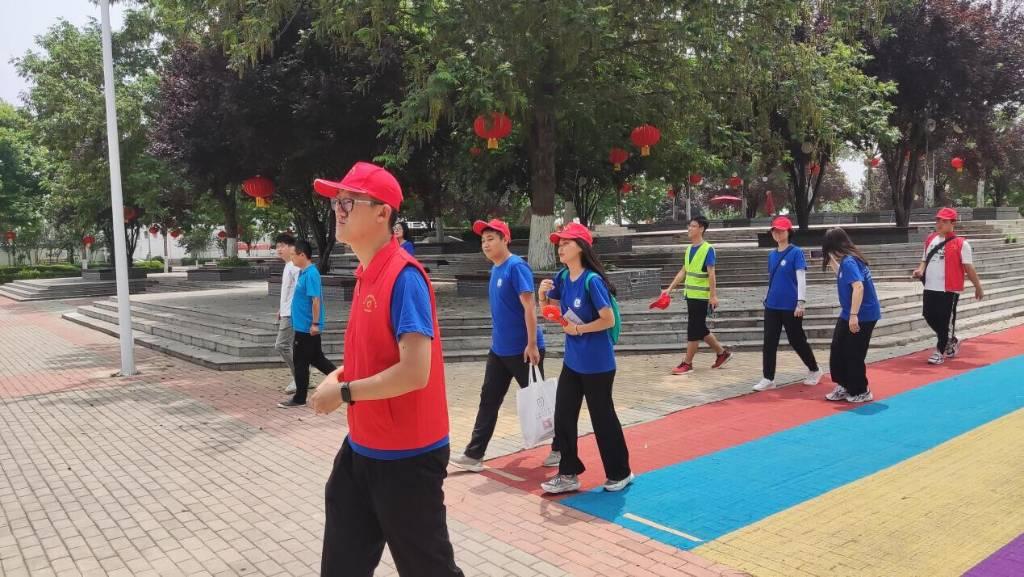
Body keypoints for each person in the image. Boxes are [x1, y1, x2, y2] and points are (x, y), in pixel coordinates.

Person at [308, 162, 462, 577]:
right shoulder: (366, 275)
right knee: (342, 563)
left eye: (348, 201)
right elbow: (375, 356)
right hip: (363, 447)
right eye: (336, 202)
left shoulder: (403, 276)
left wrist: (343, 393)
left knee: (428, 568)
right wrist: (340, 374)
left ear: (383, 213)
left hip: (406, 457)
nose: (338, 210)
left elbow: (415, 372)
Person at [451, 218, 561, 472]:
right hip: (499, 350)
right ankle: (474, 454)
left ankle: (560, 447)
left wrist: (532, 344)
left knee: (540, 402)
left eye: (491, 239)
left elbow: (530, 307)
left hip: (524, 351)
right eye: (483, 240)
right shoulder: (495, 269)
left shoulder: (516, 267)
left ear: (505, 240)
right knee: (488, 399)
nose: (486, 244)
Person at [537, 222, 633, 494]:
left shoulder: (592, 281)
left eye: (566, 243)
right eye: (559, 243)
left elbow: (607, 319)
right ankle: (568, 474)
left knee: (603, 420)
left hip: (598, 365)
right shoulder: (562, 277)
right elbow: (552, 313)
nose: (560, 247)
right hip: (573, 362)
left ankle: (620, 472)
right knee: (563, 416)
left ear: (580, 247)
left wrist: (579, 329)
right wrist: (542, 296)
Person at [754, 216, 822, 391]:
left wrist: (801, 302)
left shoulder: (796, 252)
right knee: (769, 341)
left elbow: (801, 279)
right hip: (772, 305)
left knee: (797, 340)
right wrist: (767, 296)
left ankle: (814, 369)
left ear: (788, 232)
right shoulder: (771, 255)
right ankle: (768, 377)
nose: (776, 233)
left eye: (780, 230)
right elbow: (772, 279)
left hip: (791, 306)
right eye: (774, 230)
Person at [912, 207, 984, 365]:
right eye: (938, 220)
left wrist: (978, 286)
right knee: (928, 315)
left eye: (944, 221)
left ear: (953, 223)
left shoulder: (961, 244)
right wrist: (920, 270)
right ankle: (950, 339)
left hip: (949, 289)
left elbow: (969, 268)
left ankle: (939, 351)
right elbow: (925, 259)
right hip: (930, 286)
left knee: (945, 320)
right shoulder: (930, 239)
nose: (939, 224)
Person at [662, 215, 732, 375]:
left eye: (693, 226)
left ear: (701, 229)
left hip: (702, 297)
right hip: (690, 296)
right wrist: (670, 288)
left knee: (694, 329)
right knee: (699, 328)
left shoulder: (708, 249)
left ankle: (687, 363)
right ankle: (722, 353)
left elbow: (711, 274)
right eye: (689, 226)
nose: (689, 228)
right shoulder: (688, 249)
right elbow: (683, 271)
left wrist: (713, 296)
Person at [821, 228, 881, 403]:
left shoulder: (850, 262)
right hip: (849, 313)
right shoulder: (848, 261)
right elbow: (842, 274)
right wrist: (830, 259)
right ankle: (845, 384)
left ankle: (861, 390)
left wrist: (854, 315)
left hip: (863, 315)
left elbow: (858, 287)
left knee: (853, 353)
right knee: (838, 348)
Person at [278, 239, 337, 408]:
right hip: (303, 326)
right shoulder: (304, 272)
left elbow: (316, 300)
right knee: (317, 359)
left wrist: (316, 324)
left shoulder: (311, 273)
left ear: (302, 255)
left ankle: (300, 397)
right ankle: (343, 380)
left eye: (293, 256)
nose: (292, 259)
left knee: (301, 362)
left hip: (307, 327)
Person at [274, 233, 301, 395]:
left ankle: (299, 378)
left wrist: (289, 309)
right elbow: (288, 291)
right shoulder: (288, 265)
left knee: (281, 345)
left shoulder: (294, 265)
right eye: (277, 246)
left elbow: (300, 289)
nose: (279, 249)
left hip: (292, 313)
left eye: (282, 246)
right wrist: (280, 308)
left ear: (291, 247)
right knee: (294, 346)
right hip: (287, 312)